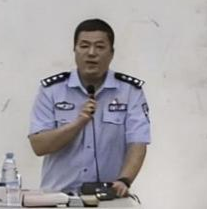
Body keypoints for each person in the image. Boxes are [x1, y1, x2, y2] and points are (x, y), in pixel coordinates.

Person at [28, 18, 151, 196]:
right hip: (58, 197)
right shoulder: (51, 90)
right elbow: (39, 146)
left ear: (111, 53)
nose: (91, 53)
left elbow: (138, 143)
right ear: (74, 50)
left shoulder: (130, 91)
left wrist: (124, 180)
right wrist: (79, 122)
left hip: (108, 196)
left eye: (100, 47)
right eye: (84, 46)